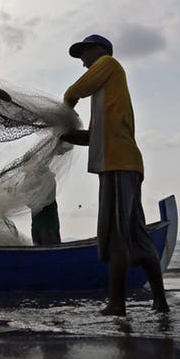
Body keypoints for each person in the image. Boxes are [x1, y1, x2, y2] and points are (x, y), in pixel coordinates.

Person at [61, 33, 169, 316]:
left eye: (84, 54)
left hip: (119, 164)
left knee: (119, 235)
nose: (83, 62)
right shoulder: (105, 96)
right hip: (115, 165)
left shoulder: (109, 64)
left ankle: (118, 305)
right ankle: (158, 302)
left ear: (99, 51)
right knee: (132, 234)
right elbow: (94, 136)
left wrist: (64, 106)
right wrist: (64, 134)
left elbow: (75, 91)